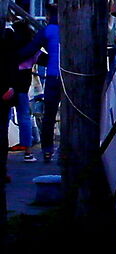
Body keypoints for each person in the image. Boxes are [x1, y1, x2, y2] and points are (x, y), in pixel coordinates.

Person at [3, 16, 37, 161]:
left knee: (5, 117)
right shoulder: (30, 49)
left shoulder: (10, 48)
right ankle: (28, 151)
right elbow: (42, 58)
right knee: (24, 117)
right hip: (23, 85)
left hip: (8, 85)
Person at [40, 15, 62, 159]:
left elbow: (33, 47)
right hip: (70, 76)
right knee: (71, 115)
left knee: (49, 115)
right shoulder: (71, 28)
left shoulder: (48, 30)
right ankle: (67, 149)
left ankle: (47, 149)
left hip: (52, 76)